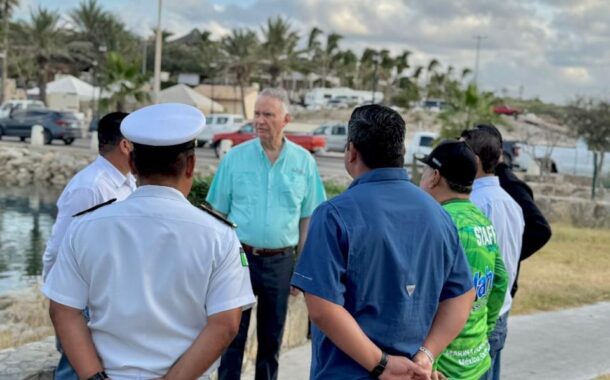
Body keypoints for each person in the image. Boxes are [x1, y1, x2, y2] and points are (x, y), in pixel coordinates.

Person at [42, 103, 255, 380]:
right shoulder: (219, 235)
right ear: (190, 165)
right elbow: (225, 325)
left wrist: (94, 377)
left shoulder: (85, 227)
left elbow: (63, 311)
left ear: (132, 164)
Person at [291, 105, 475, 380]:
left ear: (352, 151)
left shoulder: (334, 215)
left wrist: (382, 364)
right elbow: (462, 295)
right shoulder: (438, 215)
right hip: (413, 372)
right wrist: (426, 355)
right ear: (400, 151)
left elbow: (321, 307)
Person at [206, 88, 326, 380]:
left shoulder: (304, 163)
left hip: (280, 262)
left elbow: (309, 217)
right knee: (230, 335)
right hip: (239, 259)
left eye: (267, 114)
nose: (259, 120)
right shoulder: (235, 158)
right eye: (256, 114)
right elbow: (216, 213)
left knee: (271, 341)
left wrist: (303, 268)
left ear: (286, 119)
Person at [41, 112, 136, 380]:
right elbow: (59, 249)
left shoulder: (127, 183)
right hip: (82, 304)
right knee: (75, 371)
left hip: (108, 301)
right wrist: (60, 300)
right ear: (126, 144)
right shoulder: (90, 188)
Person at [418, 139, 509, 380]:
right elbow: (500, 280)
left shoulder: (438, 222)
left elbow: (428, 295)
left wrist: (430, 359)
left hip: (442, 366)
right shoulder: (482, 221)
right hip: (477, 359)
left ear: (435, 176)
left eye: (424, 170)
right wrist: (484, 331)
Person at [461, 127, 525, 380]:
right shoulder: (510, 203)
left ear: (475, 161)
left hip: (480, 316)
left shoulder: (475, 204)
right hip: (500, 310)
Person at [475, 124, 552, 298]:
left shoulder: (509, 184)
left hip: (497, 289)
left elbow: (540, 229)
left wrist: (507, 254)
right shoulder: (482, 180)